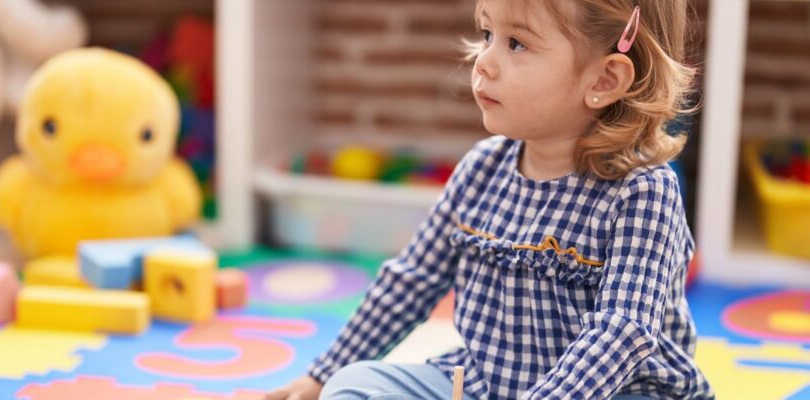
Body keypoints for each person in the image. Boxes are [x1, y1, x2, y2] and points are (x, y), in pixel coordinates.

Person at [265, 0, 713, 398]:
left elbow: (623, 332)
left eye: (516, 43)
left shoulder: (642, 192)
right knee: (352, 385)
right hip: (485, 382)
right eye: (486, 34)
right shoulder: (481, 167)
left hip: (617, 390)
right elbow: (411, 281)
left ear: (605, 78)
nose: (484, 62)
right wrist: (324, 373)